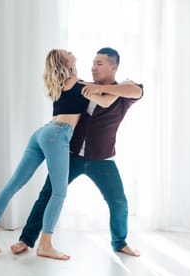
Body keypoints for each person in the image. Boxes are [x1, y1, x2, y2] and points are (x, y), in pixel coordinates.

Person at [0, 49, 118, 260]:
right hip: (57, 135)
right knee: (59, 192)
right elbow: (106, 102)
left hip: (42, 133)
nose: (72, 52)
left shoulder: (59, 83)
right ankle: (45, 244)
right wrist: (125, 88)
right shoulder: (80, 85)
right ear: (66, 61)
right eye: (68, 52)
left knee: (14, 183)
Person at [10, 47, 143, 257]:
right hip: (70, 155)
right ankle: (26, 239)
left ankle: (120, 242)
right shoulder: (81, 87)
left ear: (113, 67)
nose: (93, 67)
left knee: (118, 202)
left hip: (102, 158)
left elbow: (137, 91)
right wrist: (91, 87)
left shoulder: (123, 92)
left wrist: (111, 89)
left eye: (99, 64)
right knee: (47, 195)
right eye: (92, 63)